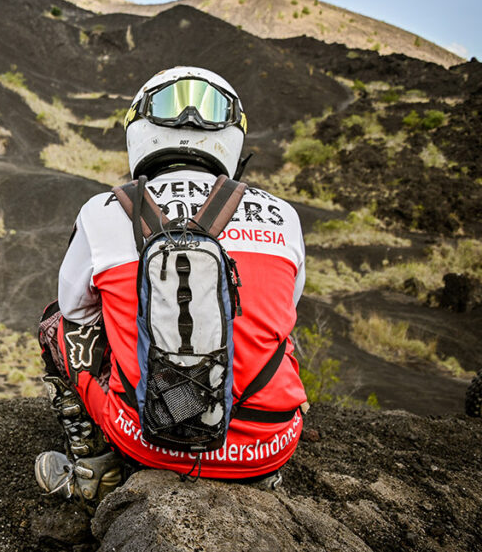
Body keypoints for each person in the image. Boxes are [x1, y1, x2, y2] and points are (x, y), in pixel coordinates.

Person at [35, 66, 308, 510]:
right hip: (269, 446)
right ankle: (254, 470)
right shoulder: (284, 216)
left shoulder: (103, 211)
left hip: (148, 441)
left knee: (56, 323)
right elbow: (287, 312)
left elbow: (75, 310)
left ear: (140, 128)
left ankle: (94, 467)